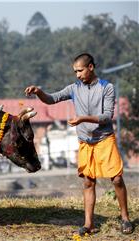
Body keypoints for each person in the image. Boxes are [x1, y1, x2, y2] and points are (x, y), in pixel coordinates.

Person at [24, 53, 133, 236]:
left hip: (104, 139)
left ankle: (125, 218)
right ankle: (89, 224)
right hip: (85, 142)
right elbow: (52, 99)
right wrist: (38, 92)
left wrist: (83, 118)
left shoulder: (107, 87)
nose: (77, 75)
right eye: (75, 71)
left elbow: (107, 116)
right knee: (88, 182)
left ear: (91, 67)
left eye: (80, 70)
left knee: (116, 179)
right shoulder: (74, 88)